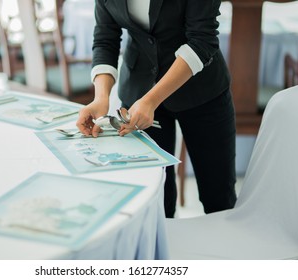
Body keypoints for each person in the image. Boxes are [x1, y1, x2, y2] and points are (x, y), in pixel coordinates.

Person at [76, 0, 237, 218]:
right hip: (138, 89)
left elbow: (202, 41)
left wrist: (151, 100)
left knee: (218, 197)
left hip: (202, 91)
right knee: (156, 200)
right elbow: (105, 39)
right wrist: (101, 98)